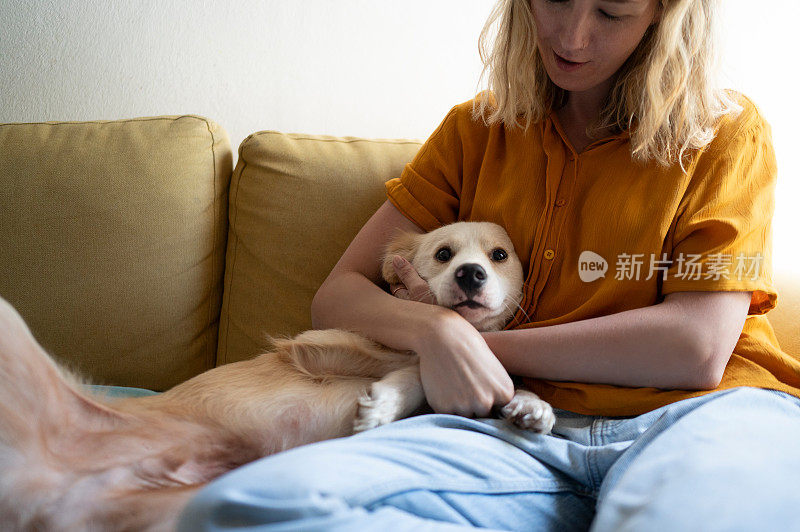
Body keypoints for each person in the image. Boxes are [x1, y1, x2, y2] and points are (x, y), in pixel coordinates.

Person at [177, 0, 800, 529]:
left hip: (703, 414)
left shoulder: (723, 133)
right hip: (508, 432)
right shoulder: (475, 129)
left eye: (612, 10)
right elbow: (339, 294)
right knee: (244, 508)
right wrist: (437, 331)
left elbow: (695, 348)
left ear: (662, 15)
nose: (572, 35)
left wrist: (478, 355)